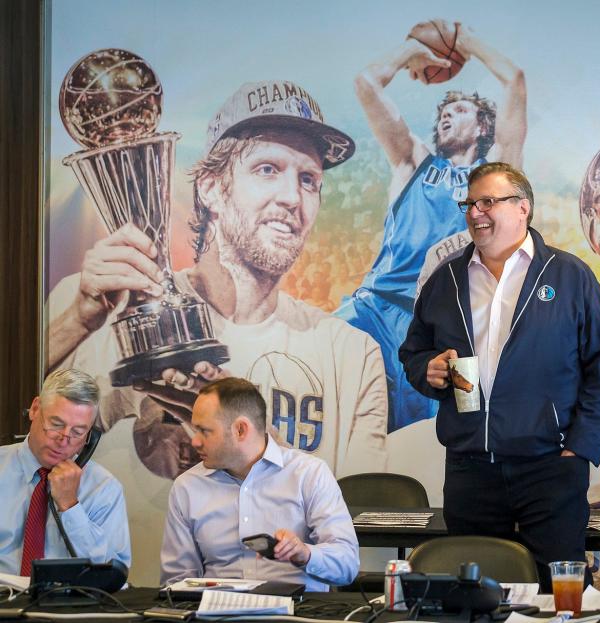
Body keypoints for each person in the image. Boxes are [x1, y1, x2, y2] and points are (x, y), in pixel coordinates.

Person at [46, 79, 388, 480]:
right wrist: (77, 323)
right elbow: (25, 440)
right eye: (267, 169)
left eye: (308, 179)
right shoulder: (106, 311)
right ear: (211, 188)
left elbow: (357, 517)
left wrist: (240, 432)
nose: (293, 198)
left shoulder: (352, 354)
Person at [399, 162, 600, 590]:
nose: (475, 212)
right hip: (470, 469)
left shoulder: (569, 275)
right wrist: (427, 370)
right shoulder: (445, 280)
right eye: (469, 203)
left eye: (488, 201)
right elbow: (413, 352)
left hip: (550, 469)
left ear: (523, 208)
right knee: (475, 593)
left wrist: (580, 448)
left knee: (557, 594)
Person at [339, 22, 527, 432]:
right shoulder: (413, 162)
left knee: (463, 425)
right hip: (376, 308)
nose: (446, 116)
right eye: (443, 111)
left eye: (458, 110)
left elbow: (514, 80)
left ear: (482, 127)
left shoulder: (497, 176)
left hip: (455, 329)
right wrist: (411, 50)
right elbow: (366, 83)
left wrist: (462, 41)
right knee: (314, 359)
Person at [160, 377, 358, 591]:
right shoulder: (187, 487)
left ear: (240, 430)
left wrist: (305, 554)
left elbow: (347, 565)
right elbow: (176, 582)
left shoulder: (309, 474)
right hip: (217, 614)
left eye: (204, 431)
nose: (194, 441)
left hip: (296, 612)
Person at [0, 369, 130, 575]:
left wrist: (70, 506)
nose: (63, 440)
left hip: (69, 604)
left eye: (77, 432)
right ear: (35, 409)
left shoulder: (104, 488)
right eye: (56, 424)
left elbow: (112, 575)